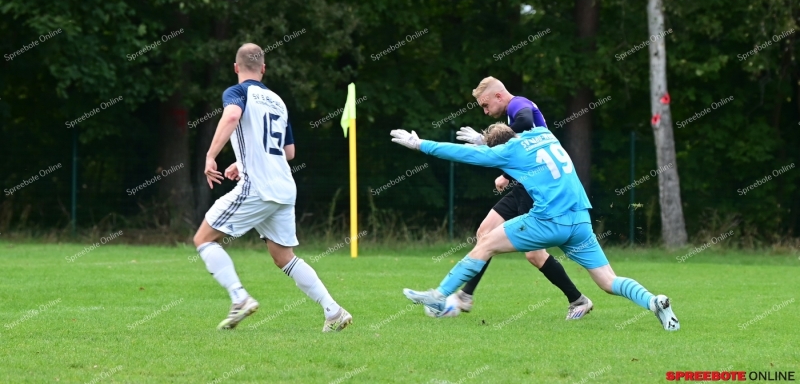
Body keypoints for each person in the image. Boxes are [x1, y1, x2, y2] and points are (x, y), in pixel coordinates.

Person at [390, 123, 679, 331]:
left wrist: (420, 144)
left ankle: (441, 297)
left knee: (486, 242)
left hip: (547, 221)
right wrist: (483, 138)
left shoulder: (509, 153)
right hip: (579, 221)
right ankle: (654, 302)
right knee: (608, 281)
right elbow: (525, 120)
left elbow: (464, 155)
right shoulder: (544, 133)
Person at [192, 42, 352, 332]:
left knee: (204, 239)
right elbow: (288, 151)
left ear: (236, 68)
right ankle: (333, 311)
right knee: (284, 258)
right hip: (283, 187)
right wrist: (242, 162)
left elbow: (231, 116)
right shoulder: (278, 100)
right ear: (264, 68)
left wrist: (211, 155)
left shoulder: (237, 91)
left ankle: (239, 298)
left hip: (259, 187)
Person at [450, 76, 592, 320]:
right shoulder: (509, 115)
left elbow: (524, 122)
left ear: (498, 96)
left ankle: (578, 300)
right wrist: (506, 174)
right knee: (484, 233)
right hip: (523, 186)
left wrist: (486, 141)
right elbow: (522, 147)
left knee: (535, 255)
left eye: (485, 105)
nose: (485, 112)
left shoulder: (518, 104)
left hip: (536, 190)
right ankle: (465, 296)